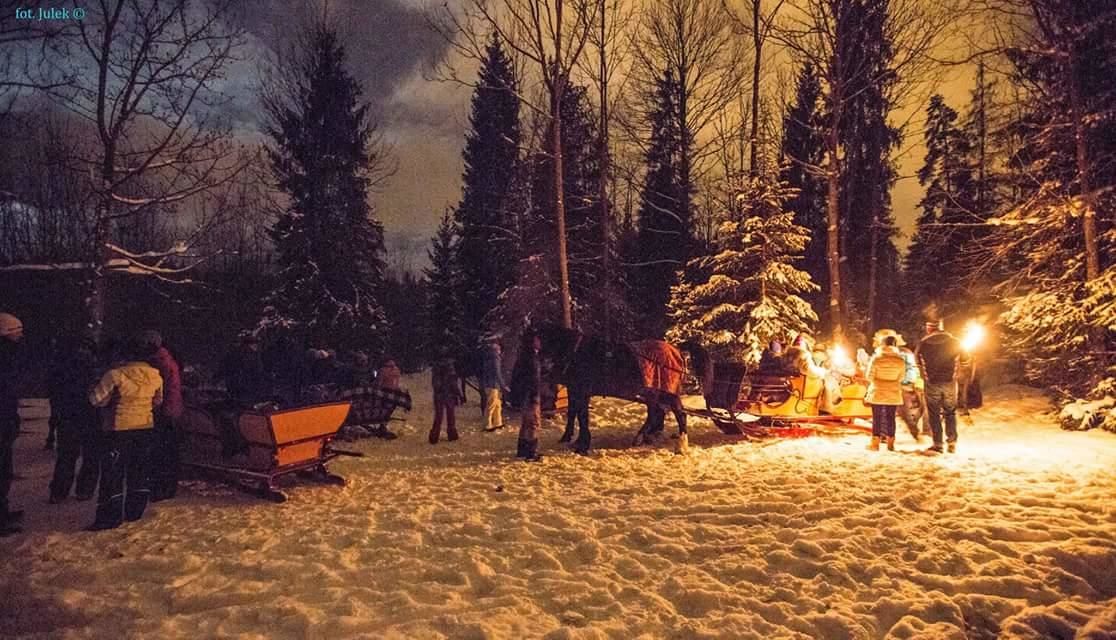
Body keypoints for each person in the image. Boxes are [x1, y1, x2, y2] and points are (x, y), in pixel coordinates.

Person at [87, 337, 164, 531]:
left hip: (118, 429)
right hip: (145, 427)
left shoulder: (115, 375)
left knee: (113, 473)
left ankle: (109, 516)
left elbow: (97, 400)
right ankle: (135, 512)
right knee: (138, 470)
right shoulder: (156, 375)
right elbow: (158, 401)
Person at [47, 335, 101, 503]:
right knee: (91, 455)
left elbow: (53, 389)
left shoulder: (62, 365)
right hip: (90, 414)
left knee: (67, 454)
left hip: (69, 414)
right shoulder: (95, 366)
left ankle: (59, 491)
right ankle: (84, 489)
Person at [142, 331, 183, 502]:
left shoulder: (157, 362)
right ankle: (167, 486)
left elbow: (159, 390)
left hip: (164, 410)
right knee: (167, 450)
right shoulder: (167, 358)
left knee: (161, 451)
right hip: (172, 409)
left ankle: (161, 487)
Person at [916, 320, 962, 454]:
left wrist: (924, 375)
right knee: (950, 411)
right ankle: (952, 441)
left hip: (932, 382)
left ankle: (938, 443)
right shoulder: (955, 342)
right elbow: (965, 359)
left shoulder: (923, 344)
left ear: (929, 329)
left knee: (934, 413)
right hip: (950, 382)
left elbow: (917, 362)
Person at [0, 312, 26, 535]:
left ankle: (3, 510)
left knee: (5, 467)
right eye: (16, 332)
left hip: (6, 416)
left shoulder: (10, 355)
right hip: (3, 416)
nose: (20, 337)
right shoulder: (6, 356)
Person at [865, 335, 906, 451]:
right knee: (891, 417)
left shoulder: (876, 359)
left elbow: (869, 376)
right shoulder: (900, 360)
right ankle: (890, 443)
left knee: (876, 418)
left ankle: (875, 444)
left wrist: (878, 381)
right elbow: (901, 377)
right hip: (893, 392)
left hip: (878, 391)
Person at [512, 332, 544, 462]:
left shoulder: (524, 356)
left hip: (524, 394)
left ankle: (522, 449)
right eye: (537, 340)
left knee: (525, 423)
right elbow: (533, 379)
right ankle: (531, 451)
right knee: (533, 423)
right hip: (531, 394)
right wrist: (534, 395)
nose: (540, 342)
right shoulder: (532, 358)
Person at [429, 357, 463, 444]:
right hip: (449, 394)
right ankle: (452, 434)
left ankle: (434, 436)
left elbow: (435, 383)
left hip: (439, 395)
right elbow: (453, 383)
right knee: (450, 415)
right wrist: (458, 393)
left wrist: (438, 389)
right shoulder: (450, 368)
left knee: (438, 416)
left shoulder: (436, 368)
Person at [481, 338, 507, 432]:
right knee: (491, 404)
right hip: (493, 384)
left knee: (497, 404)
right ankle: (487, 424)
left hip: (489, 383)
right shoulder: (495, 357)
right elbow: (497, 372)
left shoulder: (488, 356)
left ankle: (498, 422)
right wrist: (503, 385)